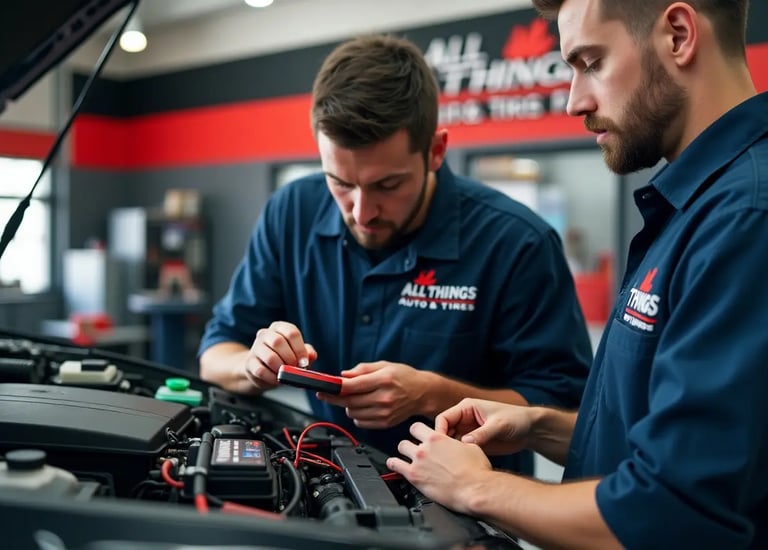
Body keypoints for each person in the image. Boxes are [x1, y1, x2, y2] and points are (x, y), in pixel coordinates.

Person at [386, 0, 768, 548]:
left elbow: (674, 511)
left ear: (680, 35)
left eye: (590, 62)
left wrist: (475, 488)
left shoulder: (745, 219)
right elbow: (648, 440)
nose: (574, 101)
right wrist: (538, 425)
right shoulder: (694, 207)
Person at [198, 34, 593, 472]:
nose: (362, 212)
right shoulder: (291, 211)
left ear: (436, 151)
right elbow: (216, 353)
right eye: (341, 183)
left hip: (466, 517)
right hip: (326, 487)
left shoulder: (517, 242)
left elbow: (568, 417)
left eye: (388, 185)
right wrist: (254, 366)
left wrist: (432, 394)